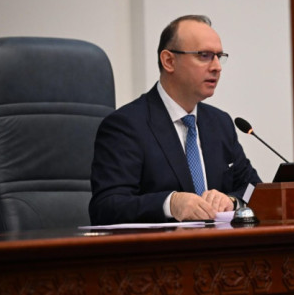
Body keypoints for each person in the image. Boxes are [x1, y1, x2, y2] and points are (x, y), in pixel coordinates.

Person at [89, 15, 261, 224]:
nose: (217, 66)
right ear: (169, 61)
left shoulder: (220, 124)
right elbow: (106, 207)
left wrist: (232, 201)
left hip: (219, 243)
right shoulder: (126, 126)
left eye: (219, 56)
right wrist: (169, 204)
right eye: (204, 56)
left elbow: (254, 188)